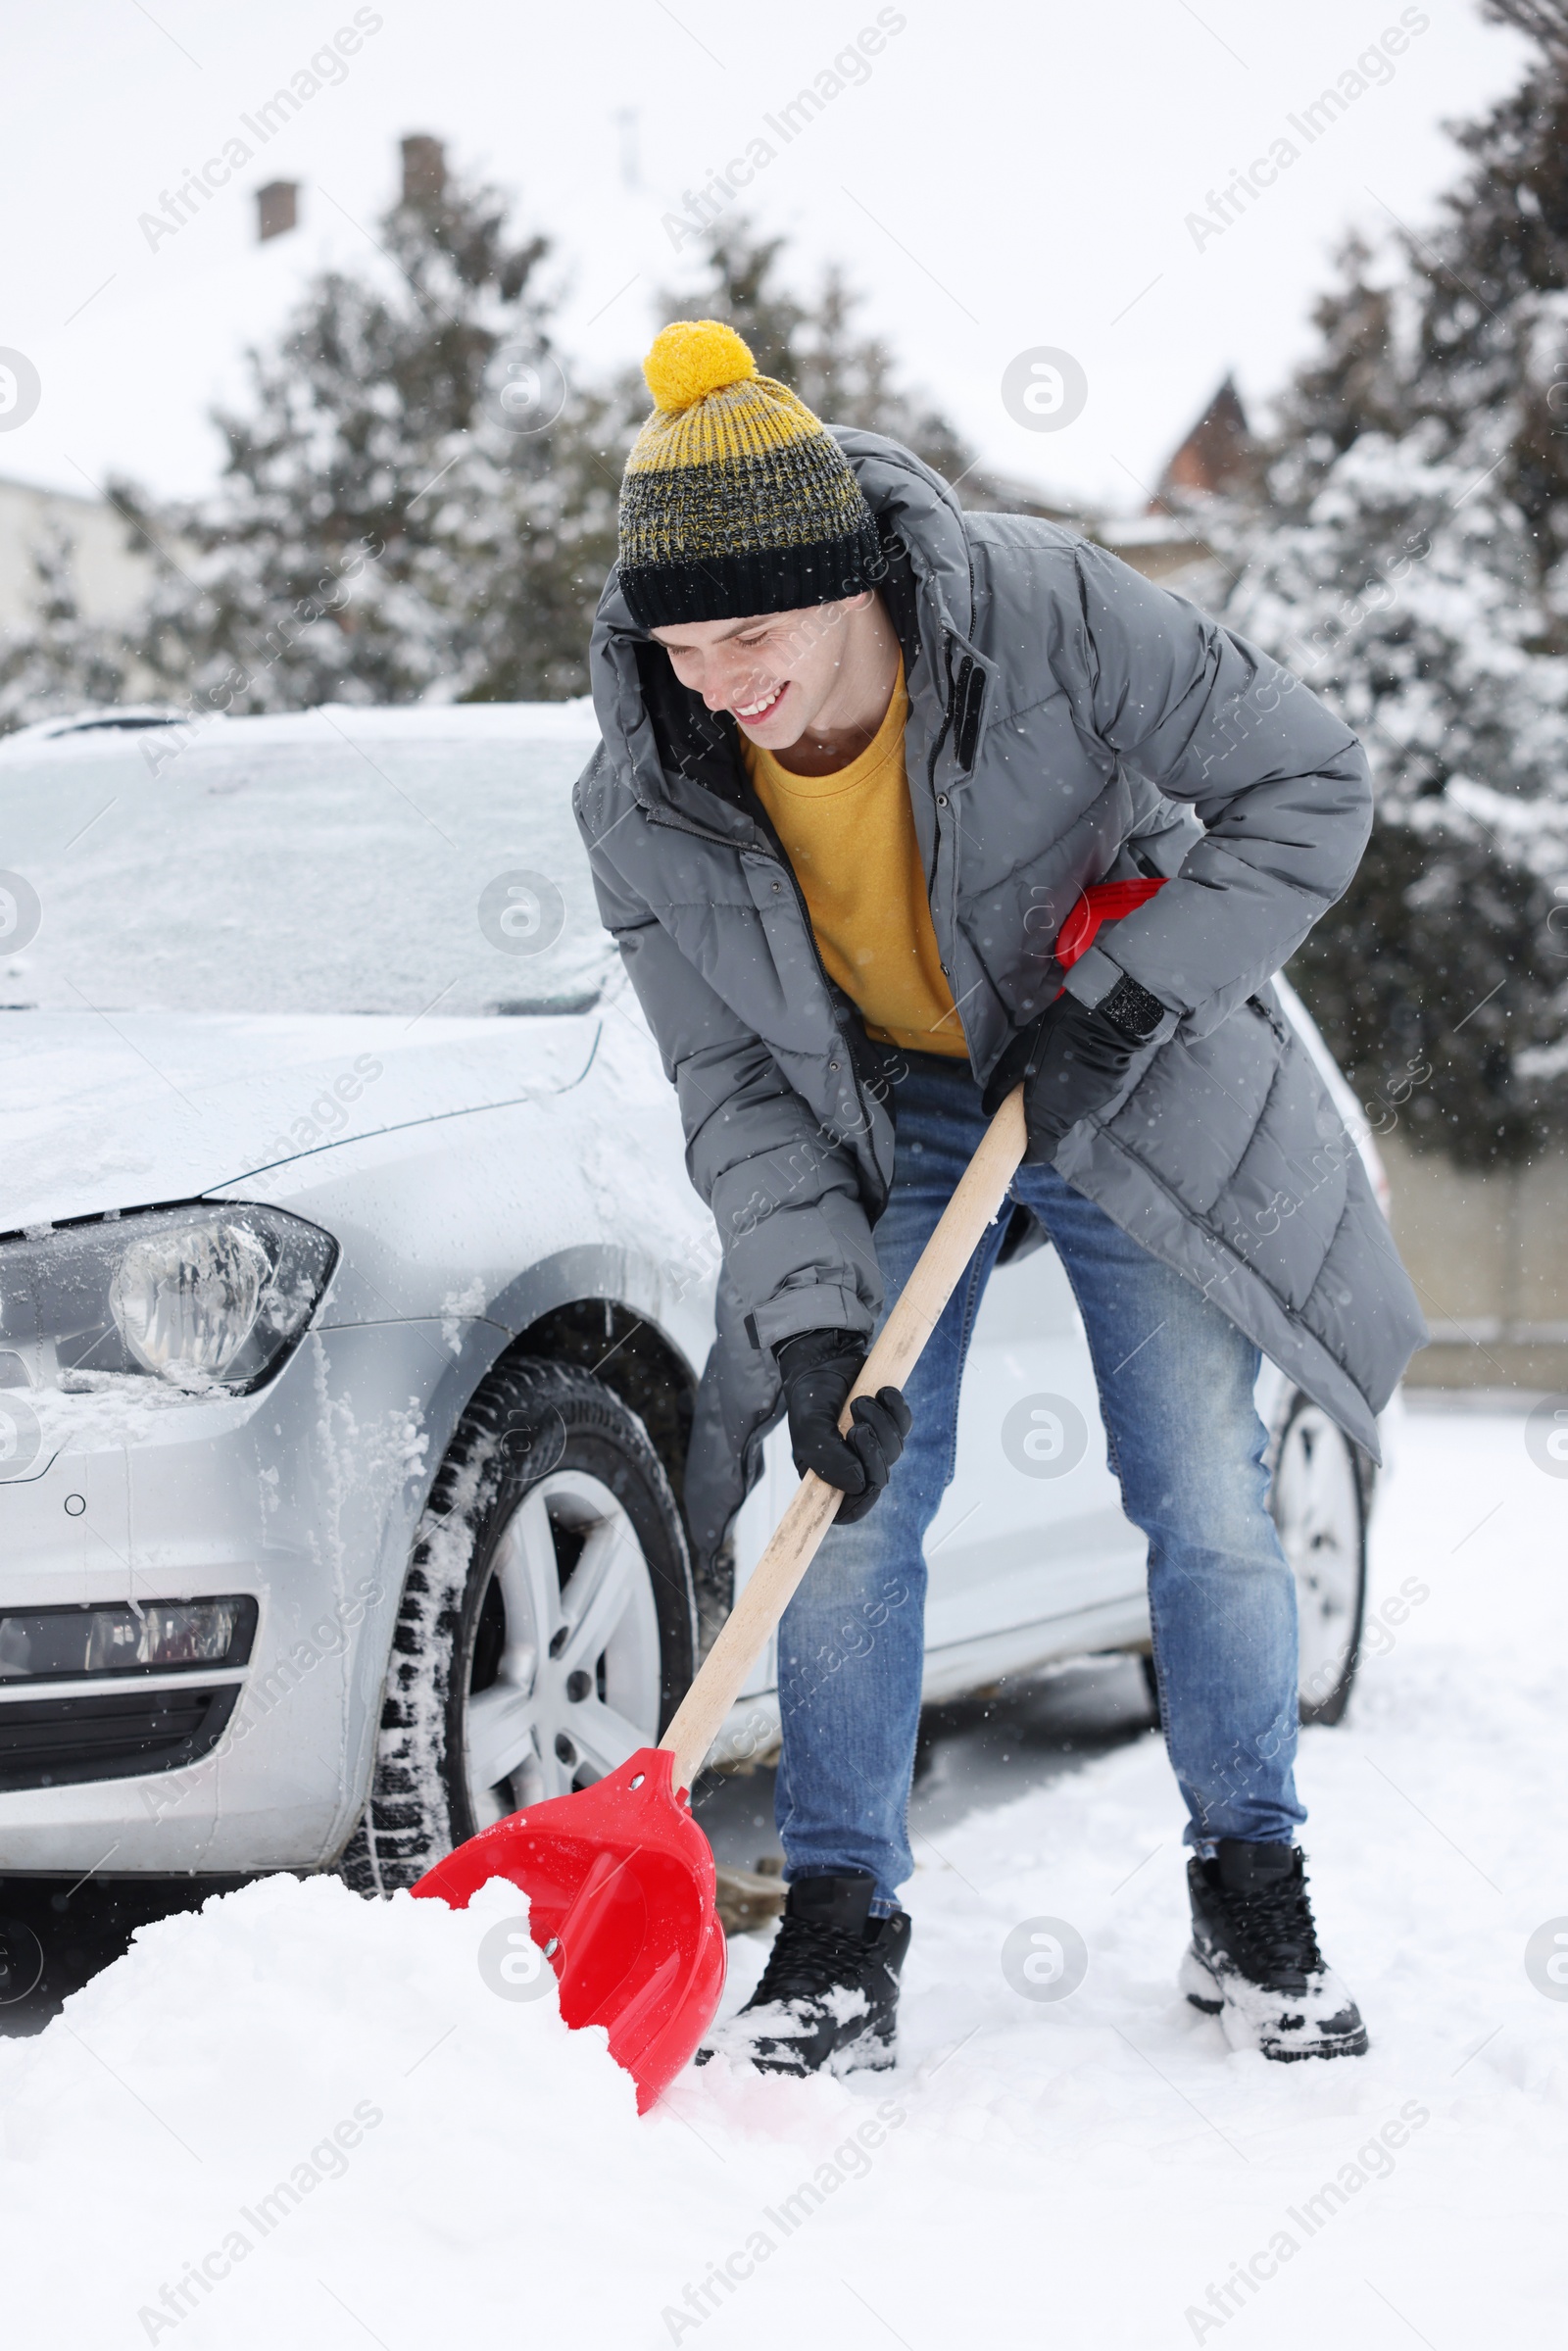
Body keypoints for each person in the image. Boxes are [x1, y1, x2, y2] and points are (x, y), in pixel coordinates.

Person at [573, 318, 1425, 2075]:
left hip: (1133, 1054)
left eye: (756, 638)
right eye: (681, 647)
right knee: (847, 1502)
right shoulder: (644, 798)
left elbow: (1310, 785)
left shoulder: (1043, 612)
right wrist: (809, 1313)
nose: (722, 685)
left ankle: (1251, 1877)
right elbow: (732, 1078)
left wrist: (1126, 998)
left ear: (855, 583)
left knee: (1200, 1485)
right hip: (897, 1114)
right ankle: (836, 1929)